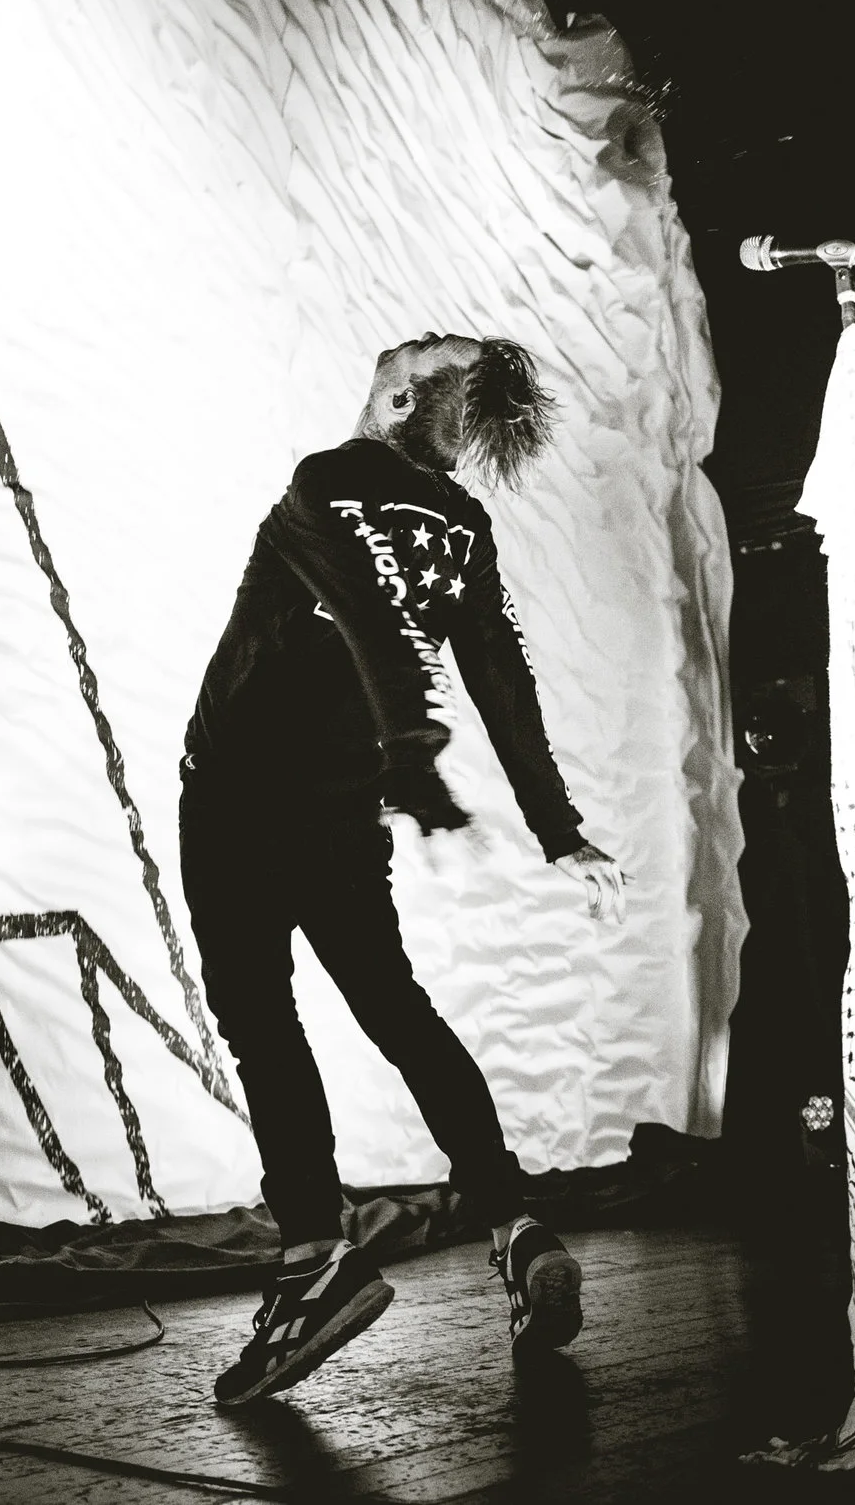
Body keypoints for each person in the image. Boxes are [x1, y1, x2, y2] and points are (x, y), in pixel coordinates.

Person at [180, 332, 629, 1406]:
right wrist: (557, 826)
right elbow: (504, 676)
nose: (415, 344)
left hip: (241, 799)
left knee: (261, 1022)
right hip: (342, 818)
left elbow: (372, 614)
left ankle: (313, 1257)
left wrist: (415, 760)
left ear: (397, 399)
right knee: (396, 1009)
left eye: (428, 354)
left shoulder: (326, 482)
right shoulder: (463, 529)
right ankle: (514, 1220)